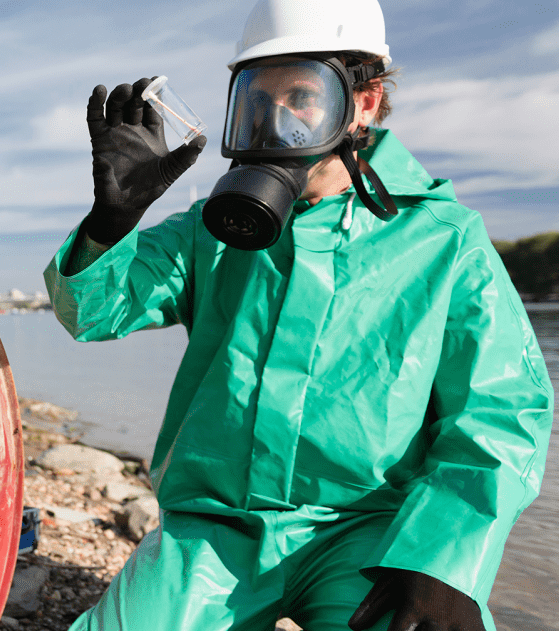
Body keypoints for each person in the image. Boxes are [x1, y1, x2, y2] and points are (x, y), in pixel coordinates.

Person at [42, 0, 554, 629]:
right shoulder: (211, 233)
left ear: (362, 103)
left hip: (367, 534)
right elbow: (90, 313)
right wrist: (110, 224)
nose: (275, 120)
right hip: (214, 530)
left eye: (301, 97)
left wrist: (443, 564)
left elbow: (499, 414)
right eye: (258, 99)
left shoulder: (445, 241)